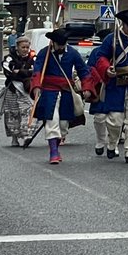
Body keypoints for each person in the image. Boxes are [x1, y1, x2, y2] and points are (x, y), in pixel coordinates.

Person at [82, 9, 128, 163]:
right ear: (122, 24)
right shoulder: (111, 39)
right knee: (115, 121)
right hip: (115, 84)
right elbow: (101, 57)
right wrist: (107, 69)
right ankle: (112, 143)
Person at [30, 29, 87, 164]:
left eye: (63, 44)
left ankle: (58, 142)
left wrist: (87, 88)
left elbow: (83, 71)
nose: (61, 47)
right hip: (49, 92)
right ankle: (53, 152)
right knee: (52, 120)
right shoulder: (44, 53)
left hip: (66, 92)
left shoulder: (73, 53)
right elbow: (37, 70)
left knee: (62, 124)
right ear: (53, 42)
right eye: (59, 44)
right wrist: (36, 86)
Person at [1, 35, 35, 146]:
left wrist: (18, 71)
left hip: (26, 89)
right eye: (23, 47)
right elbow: (8, 71)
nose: (25, 49)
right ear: (17, 47)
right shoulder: (9, 58)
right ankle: (14, 138)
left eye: (27, 47)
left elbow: (35, 72)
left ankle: (26, 135)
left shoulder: (33, 58)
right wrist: (26, 72)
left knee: (27, 111)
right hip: (12, 89)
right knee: (12, 113)